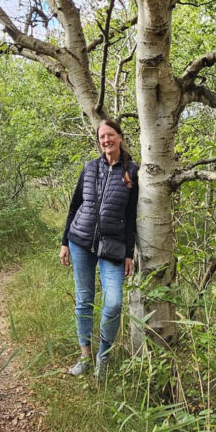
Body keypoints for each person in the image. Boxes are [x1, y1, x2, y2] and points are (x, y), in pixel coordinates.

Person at [59, 119, 139, 376]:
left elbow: (132, 216)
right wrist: (64, 243)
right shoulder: (90, 167)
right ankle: (84, 357)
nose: (107, 140)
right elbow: (74, 206)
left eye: (111, 135)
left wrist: (129, 253)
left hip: (113, 247)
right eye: (102, 136)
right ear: (99, 141)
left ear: (120, 137)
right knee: (84, 300)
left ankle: (102, 356)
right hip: (80, 240)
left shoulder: (132, 172)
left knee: (114, 303)